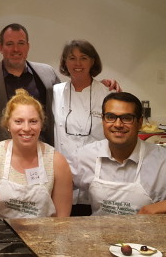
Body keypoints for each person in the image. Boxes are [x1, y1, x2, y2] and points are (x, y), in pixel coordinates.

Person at [0, 24, 120, 151]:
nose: (16, 49)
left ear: (28, 46)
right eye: (9, 44)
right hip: (2, 156)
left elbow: (76, 91)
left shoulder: (47, 74)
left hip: (42, 155)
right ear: (1, 47)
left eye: (21, 43)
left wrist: (101, 86)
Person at [0, 89, 72, 218]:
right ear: (8, 125)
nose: (27, 128)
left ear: (41, 124)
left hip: (44, 236)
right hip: (0, 235)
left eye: (33, 121)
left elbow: (62, 219)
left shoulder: (57, 162)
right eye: (18, 121)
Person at [52, 40, 111, 216]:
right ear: (65, 62)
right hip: (62, 176)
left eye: (83, 58)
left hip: (96, 175)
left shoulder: (107, 93)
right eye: (72, 58)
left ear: (92, 61)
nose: (77, 64)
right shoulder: (55, 92)